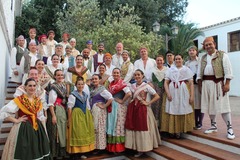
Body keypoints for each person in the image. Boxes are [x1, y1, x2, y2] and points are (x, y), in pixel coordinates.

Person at [0, 78, 50, 160]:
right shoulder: (19, 100)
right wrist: (16, 120)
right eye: (30, 85)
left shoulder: (37, 100)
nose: (32, 88)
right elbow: (3, 112)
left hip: (37, 129)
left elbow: (40, 115)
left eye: (34, 86)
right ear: (25, 87)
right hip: (23, 128)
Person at [197, 37, 235, 140]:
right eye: (206, 45)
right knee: (210, 106)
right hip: (205, 84)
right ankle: (213, 125)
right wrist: (200, 84)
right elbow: (199, 72)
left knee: (224, 106)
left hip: (218, 84)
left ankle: (230, 128)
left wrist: (227, 84)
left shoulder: (222, 55)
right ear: (204, 47)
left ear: (214, 44)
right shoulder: (203, 57)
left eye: (210, 44)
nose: (208, 46)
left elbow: (228, 70)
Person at [125, 69, 161, 157]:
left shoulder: (146, 86)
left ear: (142, 76)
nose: (137, 76)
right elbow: (131, 97)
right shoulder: (132, 86)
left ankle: (143, 148)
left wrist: (148, 103)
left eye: (139, 75)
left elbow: (157, 96)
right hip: (134, 109)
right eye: (135, 75)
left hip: (143, 109)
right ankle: (136, 147)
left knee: (142, 127)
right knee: (134, 127)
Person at [162, 54, 195, 138]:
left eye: (179, 59)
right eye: (176, 59)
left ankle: (180, 130)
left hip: (183, 91)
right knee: (173, 109)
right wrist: (168, 93)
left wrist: (191, 96)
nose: (177, 60)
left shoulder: (186, 69)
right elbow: (165, 83)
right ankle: (173, 130)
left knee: (182, 108)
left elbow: (191, 83)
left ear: (182, 60)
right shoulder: (170, 70)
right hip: (172, 91)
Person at [66, 77, 95, 159]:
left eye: (82, 84)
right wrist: (69, 119)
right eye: (79, 84)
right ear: (76, 85)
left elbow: (88, 106)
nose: (80, 86)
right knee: (78, 133)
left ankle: (84, 151)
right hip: (76, 115)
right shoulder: (73, 95)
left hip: (85, 115)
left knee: (85, 133)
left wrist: (90, 115)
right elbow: (70, 107)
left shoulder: (85, 94)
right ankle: (76, 152)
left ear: (84, 85)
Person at [106, 68, 131, 153]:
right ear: (112, 74)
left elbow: (129, 93)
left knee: (117, 126)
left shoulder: (122, 83)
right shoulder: (111, 83)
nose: (116, 74)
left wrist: (122, 101)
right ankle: (112, 148)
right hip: (112, 107)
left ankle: (119, 148)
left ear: (120, 74)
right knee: (112, 125)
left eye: (117, 73)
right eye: (114, 73)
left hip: (119, 108)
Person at [47, 69, 68, 159]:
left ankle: (61, 152)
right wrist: (53, 116)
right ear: (54, 76)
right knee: (56, 132)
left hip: (62, 110)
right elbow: (50, 103)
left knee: (62, 131)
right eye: (58, 75)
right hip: (55, 110)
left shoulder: (63, 86)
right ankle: (55, 154)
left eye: (61, 75)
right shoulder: (53, 87)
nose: (60, 77)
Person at [90, 74, 113, 153]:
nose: (94, 80)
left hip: (99, 111)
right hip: (94, 110)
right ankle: (96, 147)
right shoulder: (93, 89)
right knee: (95, 128)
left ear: (100, 80)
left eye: (96, 79)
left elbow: (110, 98)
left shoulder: (102, 89)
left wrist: (104, 106)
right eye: (93, 79)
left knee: (100, 128)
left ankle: (100, 148)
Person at [185, 46, 204, 130]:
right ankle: (194, 121)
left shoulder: (200, 60)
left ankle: (200, 122)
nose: (191, 52)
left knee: (199, 104)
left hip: (198, 84)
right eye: (190, 50)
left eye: (193, 50)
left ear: (196, 51)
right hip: (190, 85)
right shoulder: (187, 63)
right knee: (192, 103)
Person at [149, 55, 168, 126]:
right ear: (155, 61)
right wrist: (152, 87)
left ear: (163, 61)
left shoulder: (167, 70)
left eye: (161, 60)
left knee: (163, 107)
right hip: (155, 90)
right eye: (158, 60)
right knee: (155, 107)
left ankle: (163, 126)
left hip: (164, 90)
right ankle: (155, 126)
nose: (159, 62)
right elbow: (148, 80)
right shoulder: (152, 70)